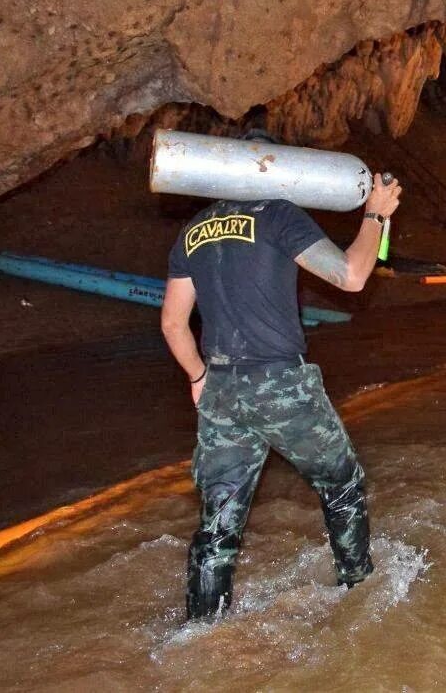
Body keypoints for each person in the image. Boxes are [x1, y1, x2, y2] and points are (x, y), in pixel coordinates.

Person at [160, 130, 402, 622]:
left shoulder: (194, 230)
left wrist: (198, 377)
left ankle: (201, 632)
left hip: (221, 390)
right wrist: (375, 215)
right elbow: (352, 276)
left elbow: (171, 322)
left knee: (219, 523)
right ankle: (361, 597)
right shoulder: (277, 215)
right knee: (342, 485)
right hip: (279, 384)